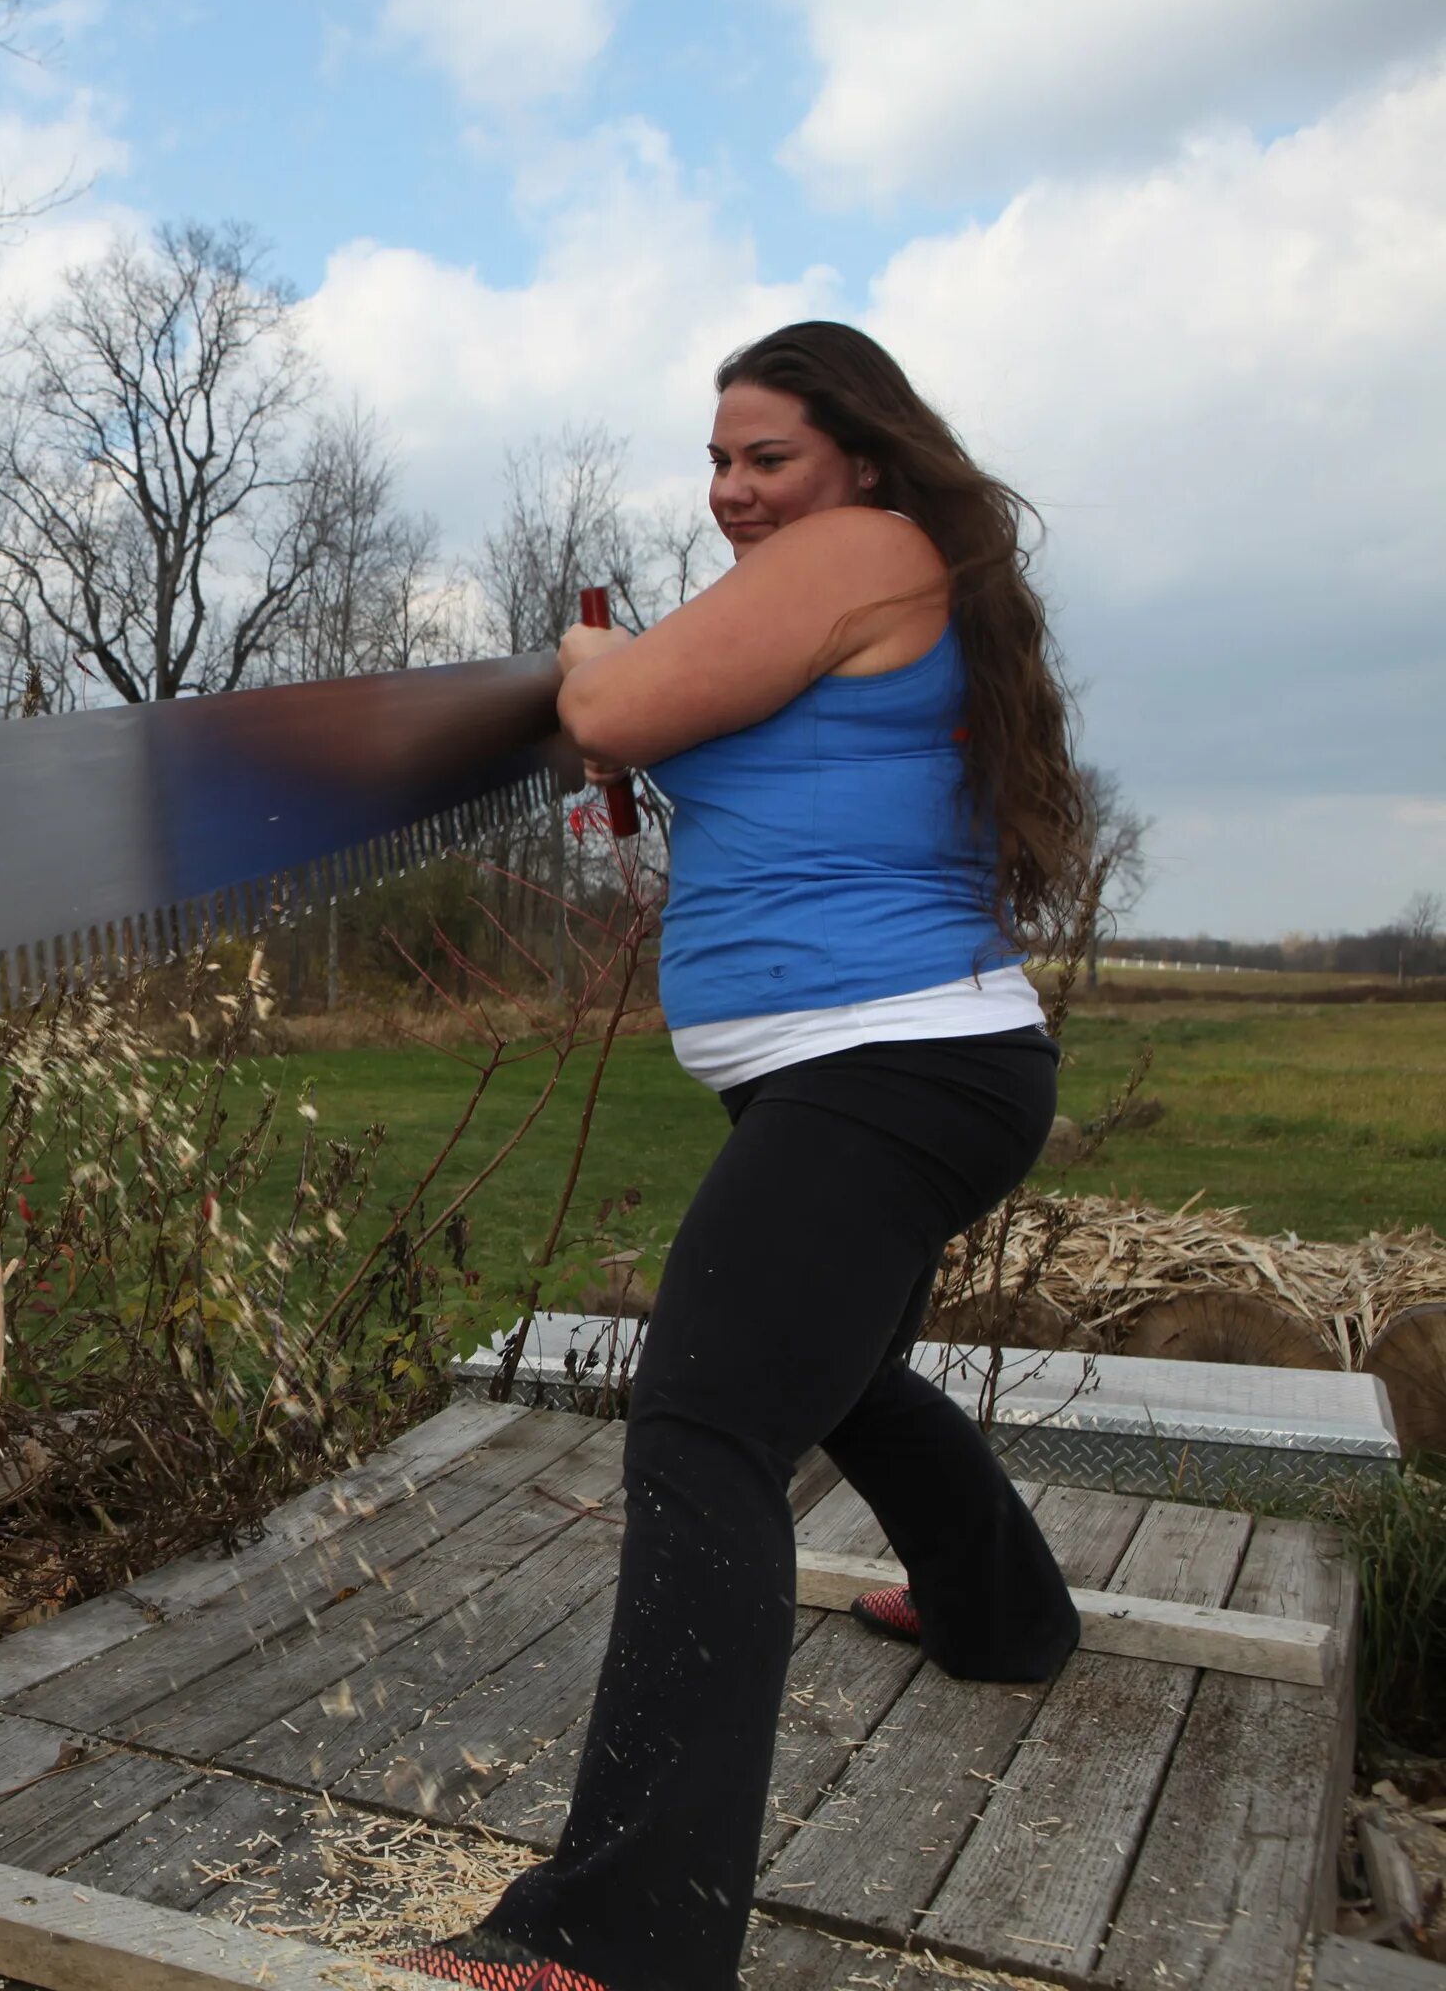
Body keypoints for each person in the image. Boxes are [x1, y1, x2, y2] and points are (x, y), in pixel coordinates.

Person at [390, 320, 1092, 1991]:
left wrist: (594, 682)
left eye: (764, 455)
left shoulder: (859, 548)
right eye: (717, 461)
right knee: (824, 1372)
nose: (732, 492)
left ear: (857, 452)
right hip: (889, 1067)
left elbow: (620, 702)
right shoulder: (884, 563)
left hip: (889, 1066)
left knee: (704, 1427)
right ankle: (1008, 1616)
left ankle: (622, 1937)